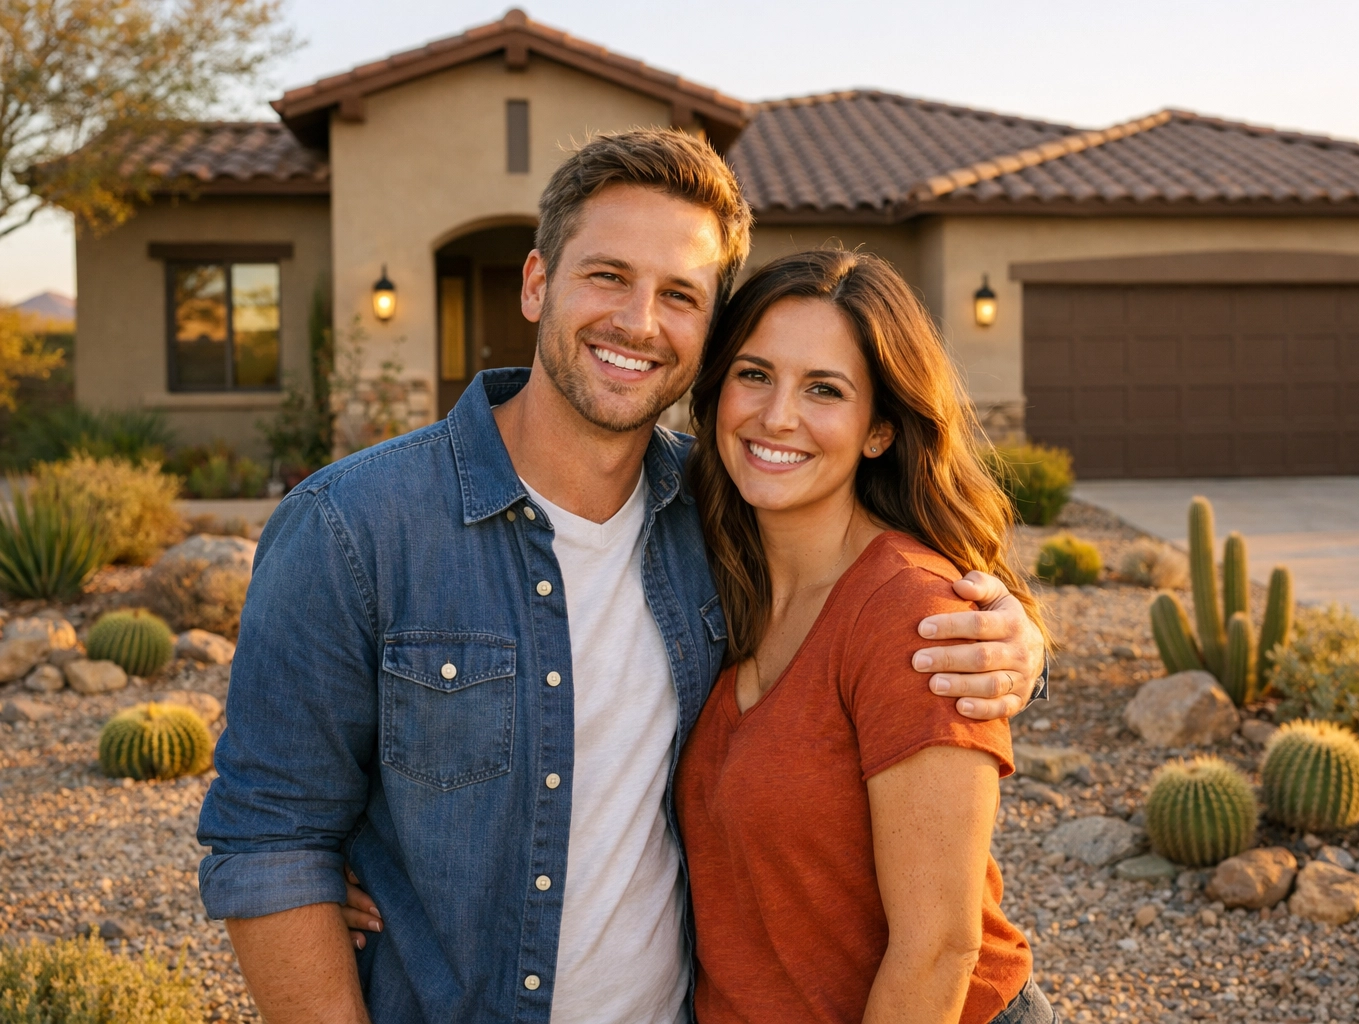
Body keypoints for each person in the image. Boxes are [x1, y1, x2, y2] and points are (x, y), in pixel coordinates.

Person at [197, 128, 1048, 1024]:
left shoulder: (719, 516)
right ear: (537, 284)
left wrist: (1018, 642)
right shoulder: (353, 528)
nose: (639, 322)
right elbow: (269, 838)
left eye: (680, 294)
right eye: (607, 276)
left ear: (707, 330)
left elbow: (895, 613)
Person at [675, 249, 1055, 1024]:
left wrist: (1030, 653)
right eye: (754, 374)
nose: (776, 416)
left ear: (879, 428)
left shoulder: (914, 615)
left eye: (824, 389)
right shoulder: (705, 568)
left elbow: (939, 947)